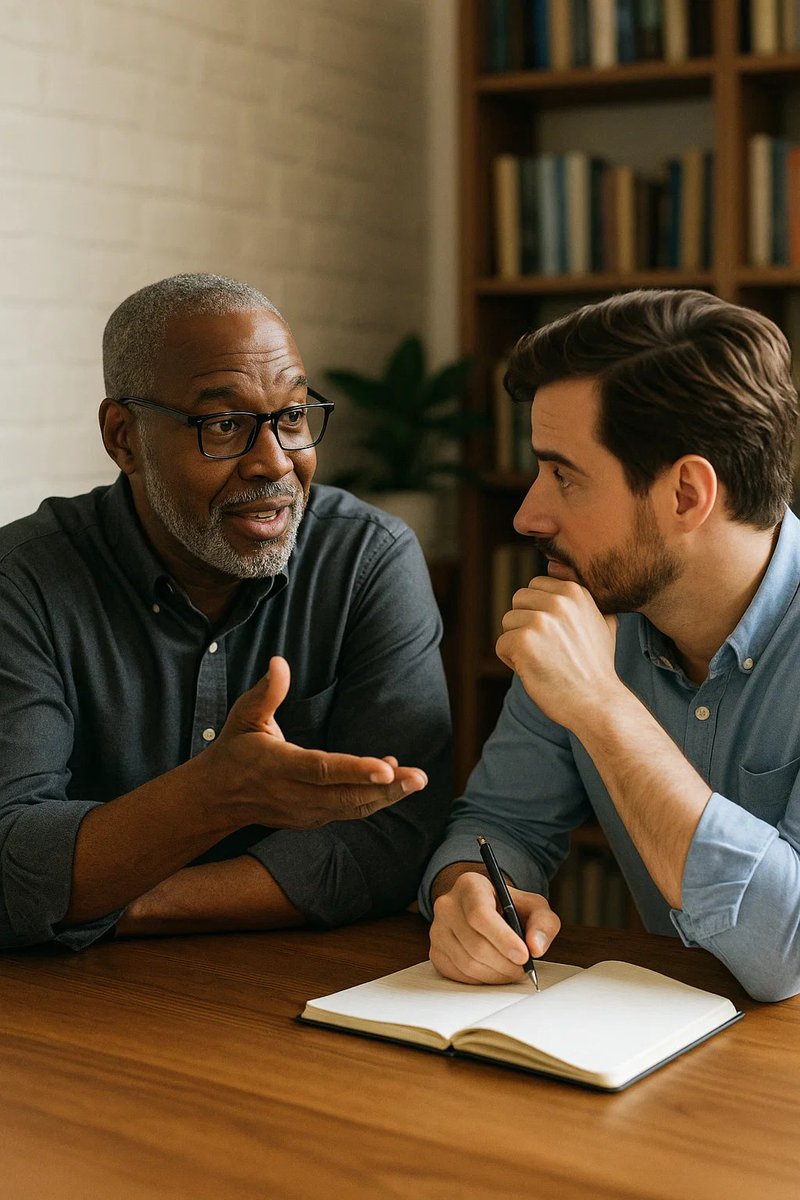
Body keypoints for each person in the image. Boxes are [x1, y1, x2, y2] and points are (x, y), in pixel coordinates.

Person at [0, 272, 452, 951]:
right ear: (123, 437)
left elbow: (396, 834)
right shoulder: (25, 581)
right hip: (71, 1009)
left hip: (303, 990)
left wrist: (116, 905)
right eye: (225, 424)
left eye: (293, 416)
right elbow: (12, 856)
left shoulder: (366, 560)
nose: (273, 462)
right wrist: (215, 797)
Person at [420, 288, 800, 1003]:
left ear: (687, 494)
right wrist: (470, 893)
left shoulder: (584, 658)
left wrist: (600, 703)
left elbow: (789, 958)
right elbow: (499, 824)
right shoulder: (589, 613)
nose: (530, 514)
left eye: (565, 475)